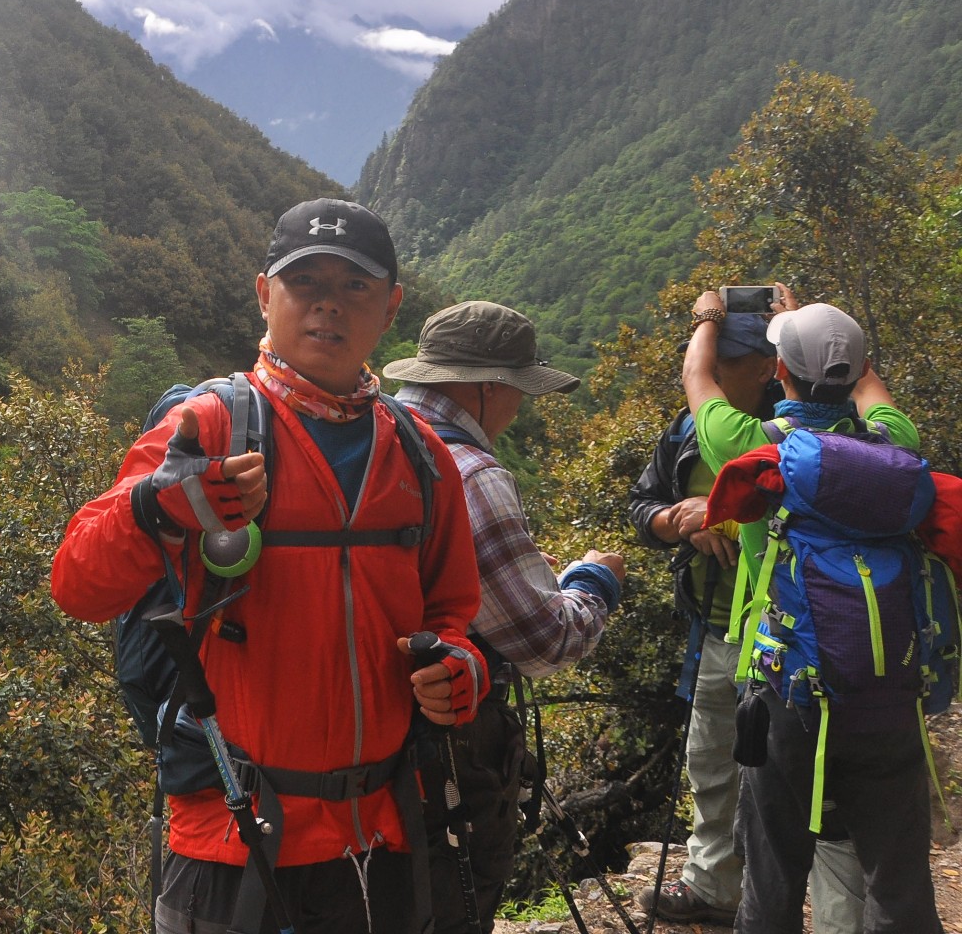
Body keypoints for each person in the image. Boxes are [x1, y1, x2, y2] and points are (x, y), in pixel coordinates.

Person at [51, 198, 487, 934]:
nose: (327, 305)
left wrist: (460, 669)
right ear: (264, 295)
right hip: (234, 836)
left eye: (354, 286)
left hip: (382, 833)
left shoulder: (420, 453)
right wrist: (157, 510)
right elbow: (77, 583)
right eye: (303, 282)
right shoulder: (211, 426)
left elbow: (452, 610)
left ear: (391, 307)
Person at [695, 299, 940, 934]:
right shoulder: (896, 445)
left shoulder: (756, 449)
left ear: (779, 371)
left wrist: (705, 319)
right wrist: (822, 327)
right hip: (889, 690)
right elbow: (870, 388)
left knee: (774, 872)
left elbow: (698, 378)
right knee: (899, 875)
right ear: (857, 367)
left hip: (786, 688)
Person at [384, 301, 625, 934]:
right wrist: (593, 579)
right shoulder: (471, 470)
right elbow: (545, 642)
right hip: (446, 745)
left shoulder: (369, 436)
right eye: (518, 388)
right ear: (488, 385)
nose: (521, 404)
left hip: (362, 744)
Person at [630, 294, 864, 930]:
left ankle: (804, 907)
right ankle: (713, 885)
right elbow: (640, 504)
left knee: (798, 780)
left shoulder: (787, 435)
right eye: (722, 357)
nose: (722, 370)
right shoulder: (684, 432)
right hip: (715, 622)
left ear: (769, 366)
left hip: (789, 635)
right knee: (711, 759)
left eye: (740, 359)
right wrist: (666, 523)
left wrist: (726, 519)